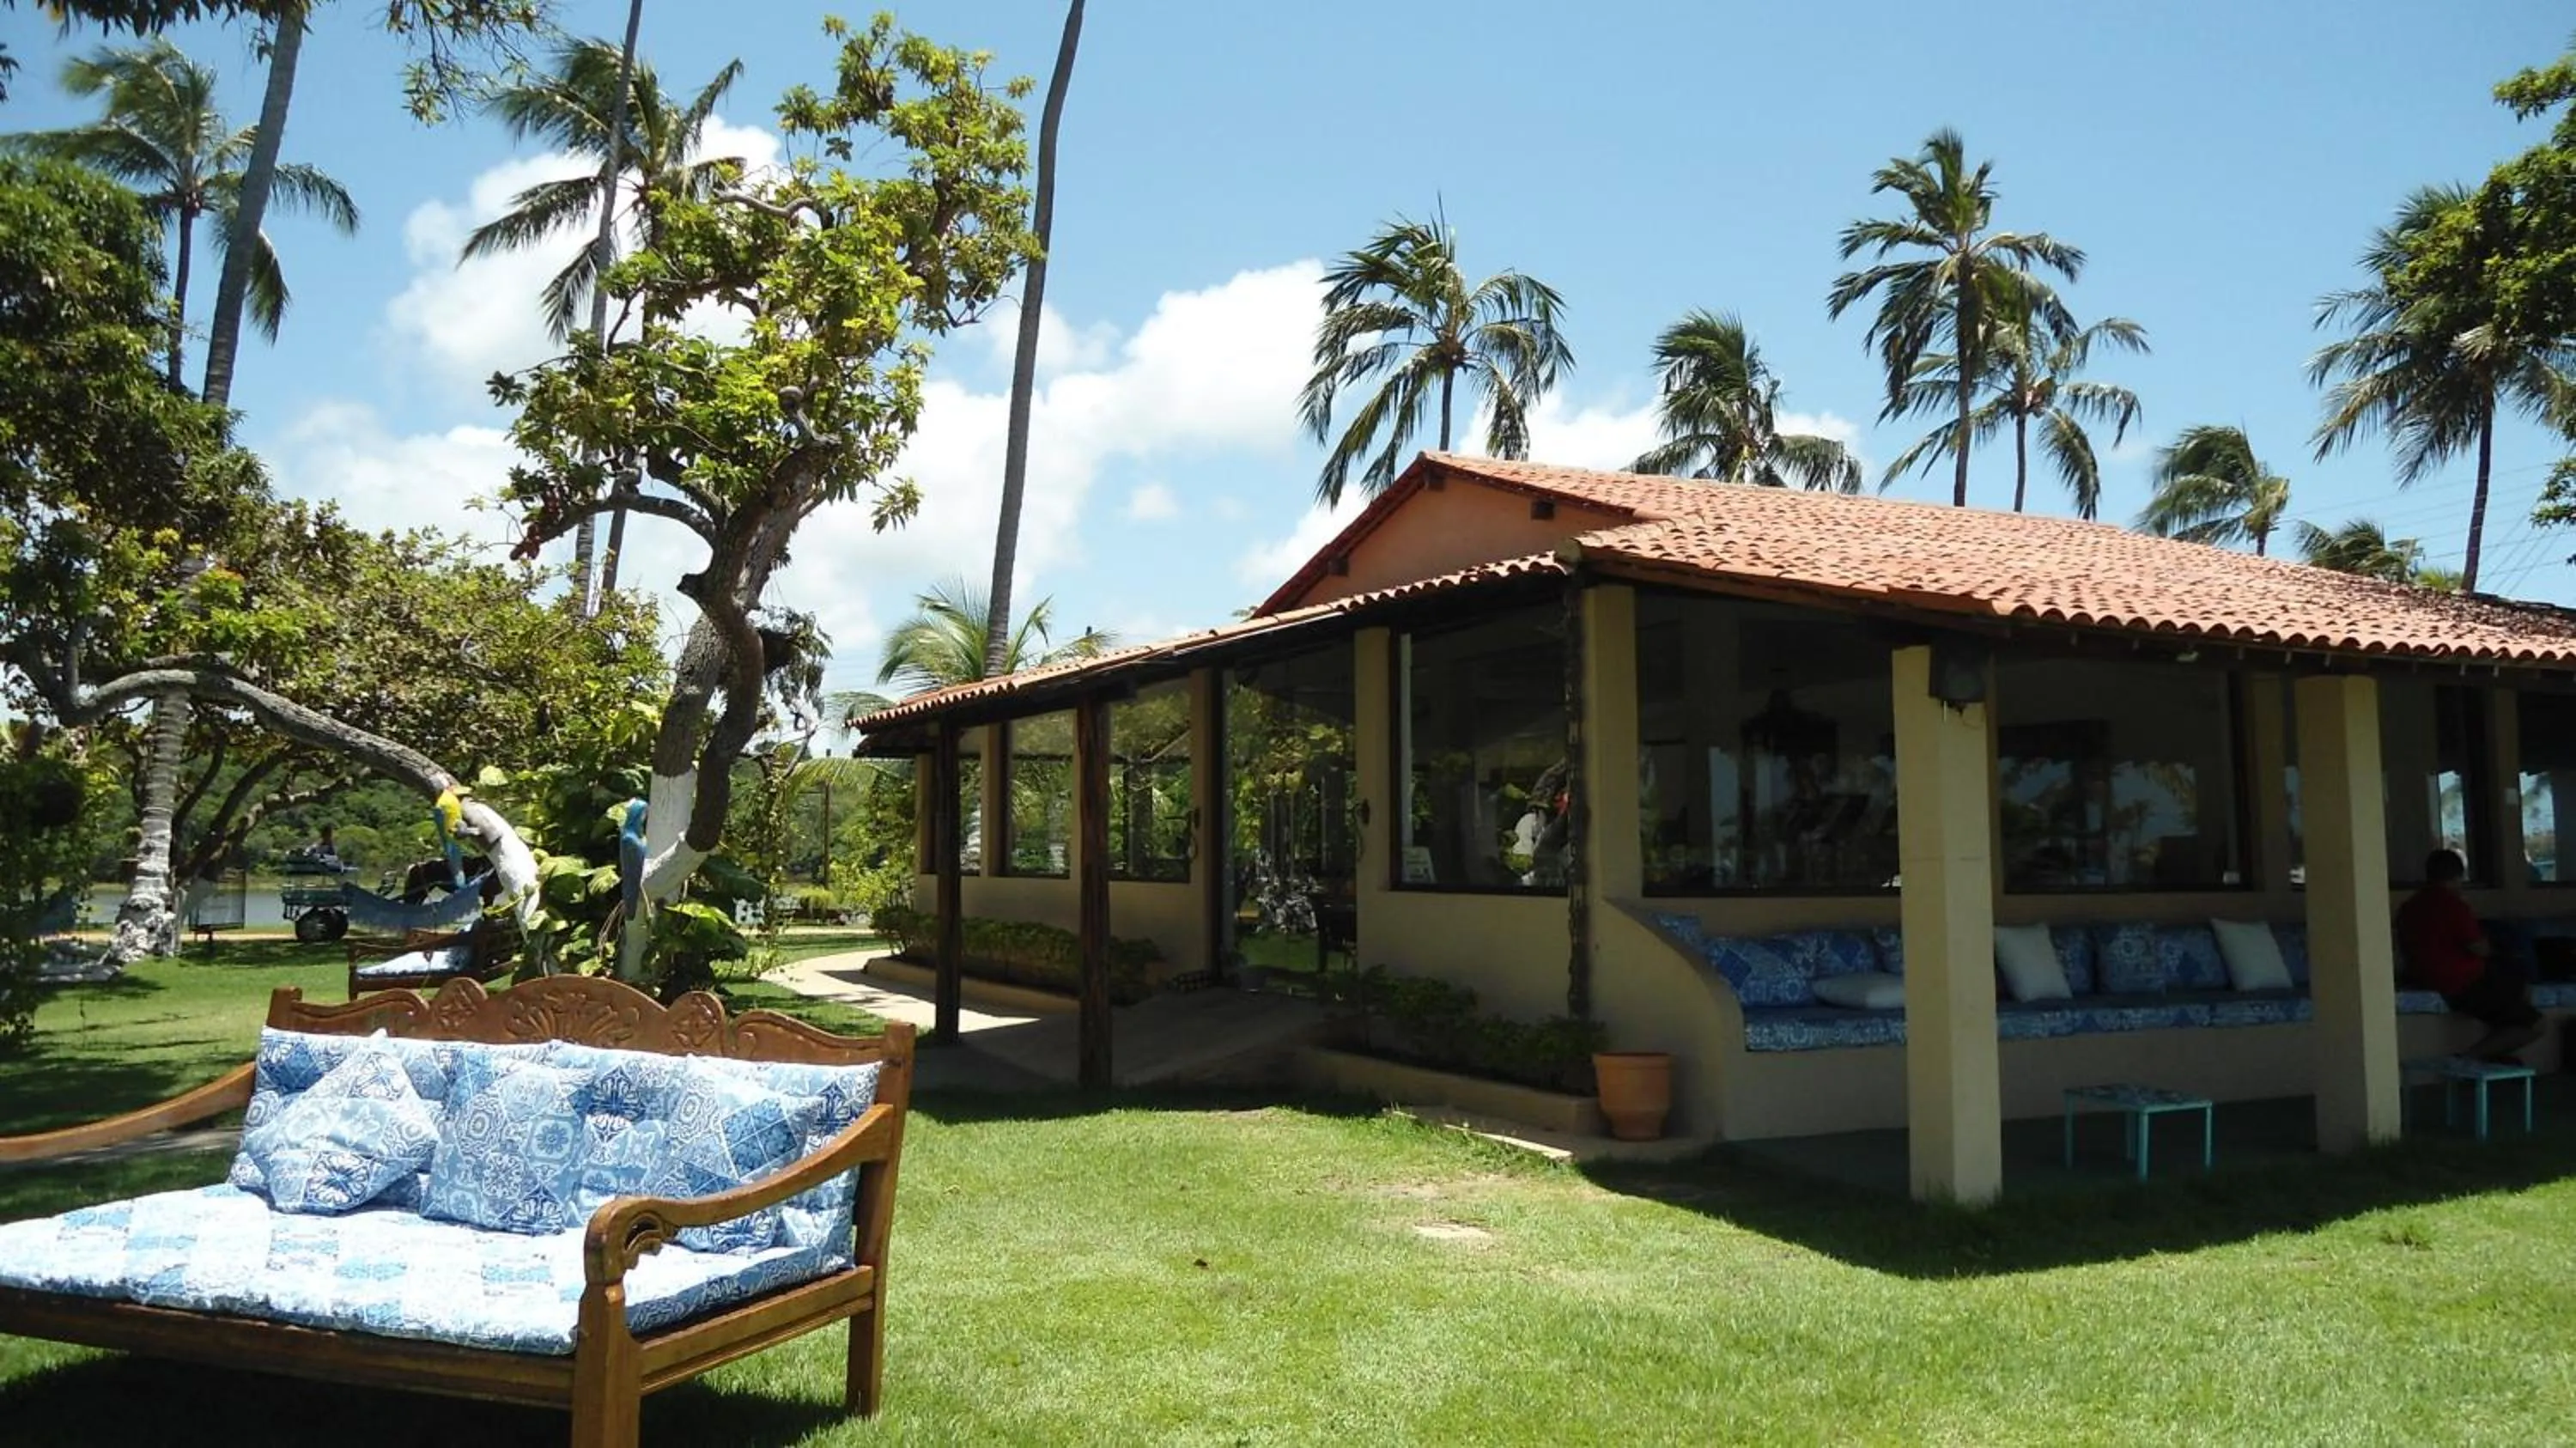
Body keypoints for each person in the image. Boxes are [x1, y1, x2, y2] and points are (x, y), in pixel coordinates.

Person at [2397, 848, 2543, 1062]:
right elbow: (2480, 949)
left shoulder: (2409, 907)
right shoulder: (2453, 906)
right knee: (2536, 1023)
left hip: (2421, 976)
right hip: (2462, 984)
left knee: (2511, 983)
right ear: (2457, 877)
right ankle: (2468, 1058)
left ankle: (2495, 1051)